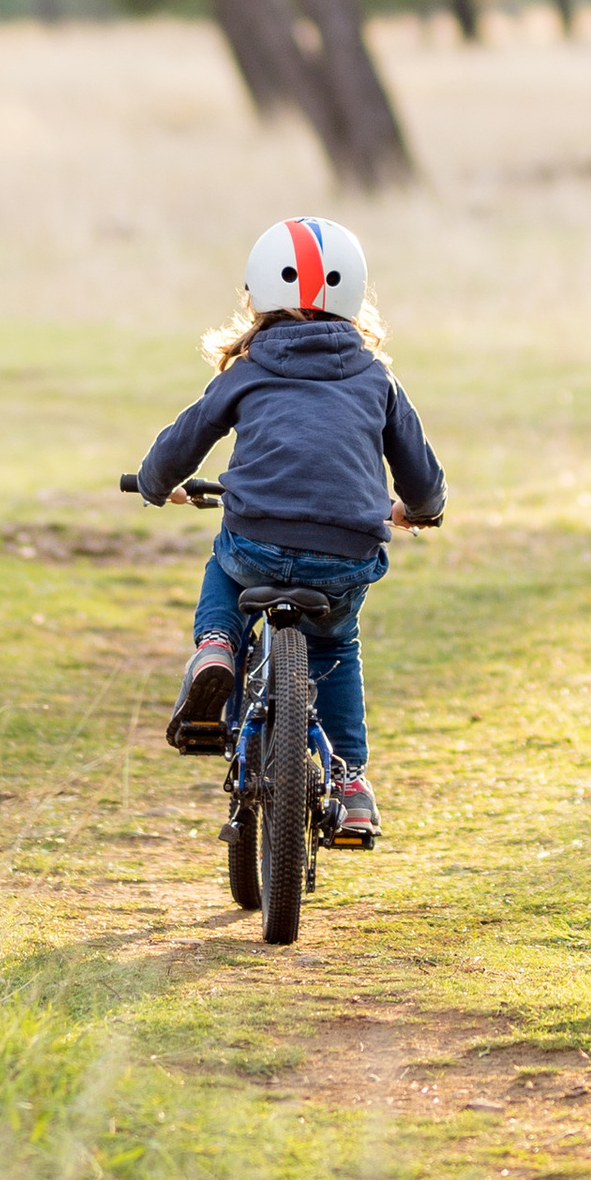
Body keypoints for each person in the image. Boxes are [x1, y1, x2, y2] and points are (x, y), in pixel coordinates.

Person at [134, 213, 444, 841]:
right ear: (352, 295)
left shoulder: (247, 369)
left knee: (225, 560)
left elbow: (183, 442)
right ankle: (351, 785)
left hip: (257, 544)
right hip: (344, 557)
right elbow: (420, 473)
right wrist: (423, 509)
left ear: (258, 295)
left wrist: (154, 484)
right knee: (335, 647)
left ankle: (216, 646)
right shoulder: (376, 378)